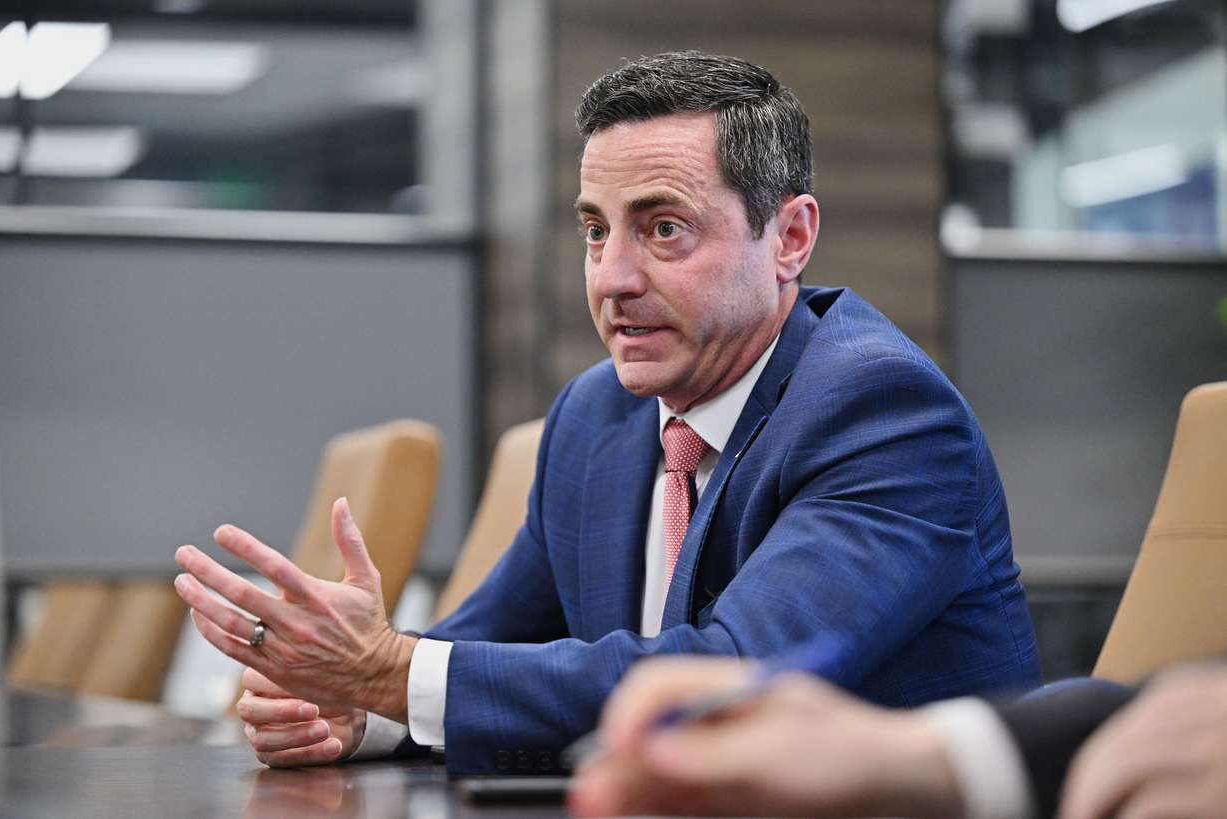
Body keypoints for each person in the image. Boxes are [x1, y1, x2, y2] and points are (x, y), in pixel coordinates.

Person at [171, 50, 1039, 775]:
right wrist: (359, 712)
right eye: (596, 230)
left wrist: (385, 671)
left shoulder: (884, 413)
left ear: (790, 239)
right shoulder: (598, 417)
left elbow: (727, 681)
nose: (613, 278)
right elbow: (478, 652)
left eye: (663, 229)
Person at [568, 655, 1227, 819]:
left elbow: (745, 644)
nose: (613, 293)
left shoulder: (874, 393)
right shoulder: (597, 416)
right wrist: (916, 754)